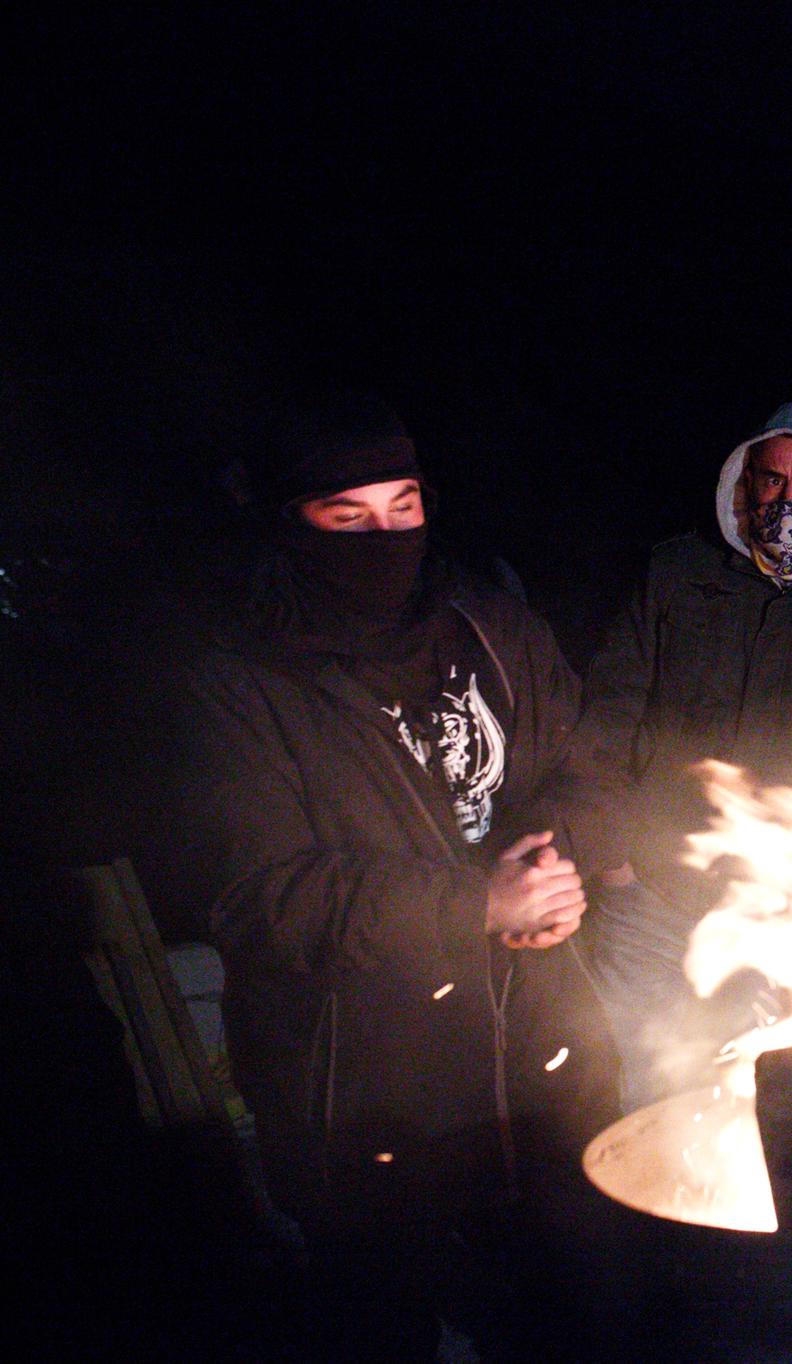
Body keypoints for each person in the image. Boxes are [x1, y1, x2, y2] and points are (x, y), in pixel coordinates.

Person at [174, 391, 620, 1359]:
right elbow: (262, 897)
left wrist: (553, 858)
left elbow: (583, 770)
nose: (385, 537)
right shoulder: (240, 682)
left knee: (567, 1315)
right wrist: (474, 903)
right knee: (380, 1326)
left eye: (403, 506)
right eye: (348, 517)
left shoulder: (491, 626)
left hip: (539, 1059)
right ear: (289, 522)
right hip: (365, 1092)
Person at [574, 401, 792, 1104]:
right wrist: (612, 859)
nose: (789, 500)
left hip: (786, 915)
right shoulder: (677, 575)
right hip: (653, 897)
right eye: (772, 481)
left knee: (766, 1103)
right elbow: (609, 715)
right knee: (648, 1093)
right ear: (743, 485)